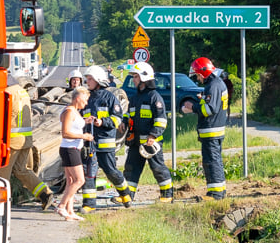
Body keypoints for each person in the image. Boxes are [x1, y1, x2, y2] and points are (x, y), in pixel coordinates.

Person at [78, 65, 131, 213]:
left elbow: (117, 119)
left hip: (105, 142)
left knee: (111, 171)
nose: (87, 82)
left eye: (90, 79)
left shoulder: (109, 98)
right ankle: (89, 204)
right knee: (89, 172)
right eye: (87, 79)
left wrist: (102, 122)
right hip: (90, 142)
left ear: (98, 80)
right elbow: (78, 117)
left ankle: (125, 194)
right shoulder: (86, 98)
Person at [0, 76, 54, 210]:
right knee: (21, 170)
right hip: (25, 139)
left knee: (1, 175)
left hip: (12, 141)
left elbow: (3, 116)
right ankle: (44, 193)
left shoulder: (7, 93)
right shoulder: (22, 91)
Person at [122, 62, 174, 202]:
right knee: (131, 169)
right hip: (135, 141)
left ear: (144, 78)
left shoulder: (154, 97)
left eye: (136, 76)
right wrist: (123, 122)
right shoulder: (134, 98)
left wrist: (153, 135)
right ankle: (127, 196)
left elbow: (161, 120)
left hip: (151, 141)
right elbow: (129, 115)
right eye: (133, 76)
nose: (133, 79)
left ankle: (167, 194)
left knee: (157, 168)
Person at [184, 57, 229, 200]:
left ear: (203, 73)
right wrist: (203, 99)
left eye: (197, 75)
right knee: (215, 160)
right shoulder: (216, 83)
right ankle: (220, 191)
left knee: (211, 162)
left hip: (211, 131)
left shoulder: (213, 85)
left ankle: (215, 194)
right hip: (214, 130)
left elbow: (210, 109)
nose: (197, 78)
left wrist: (193, 107)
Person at [57, 86, 93, 221]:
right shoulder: (69, 111)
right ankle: (61, 206)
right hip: (69, 149)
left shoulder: (75, 111)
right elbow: (65, 132)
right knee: (80, 180)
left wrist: (86, 121)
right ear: (78, 98)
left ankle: (70, 212)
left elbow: (75, 124)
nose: (86, 102)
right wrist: (84, 136)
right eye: (85, 99)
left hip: (73, 148)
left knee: (70, 181)